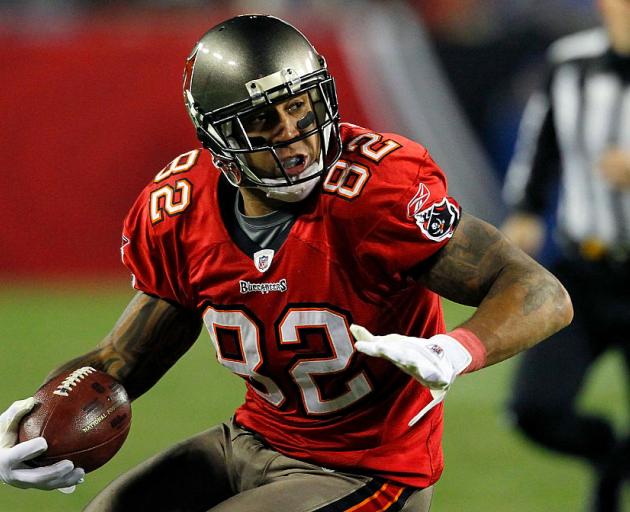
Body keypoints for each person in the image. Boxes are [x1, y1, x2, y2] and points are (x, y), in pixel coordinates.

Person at [0, 14, 572, 512]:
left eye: (299, 108)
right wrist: (37, 418)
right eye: (263, 123)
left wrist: (454, 349)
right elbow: (126, 357)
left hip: (367, 468)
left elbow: (540, 291)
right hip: (254, 439)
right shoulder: (179, 208)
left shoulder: (375, 192)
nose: (294, 138)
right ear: (217, 137)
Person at [501, 0, 630, 510]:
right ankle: (609, 454)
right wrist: (525, 211)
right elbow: (541, 145)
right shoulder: (569, 61)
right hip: (585, 270)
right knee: (534, 408)